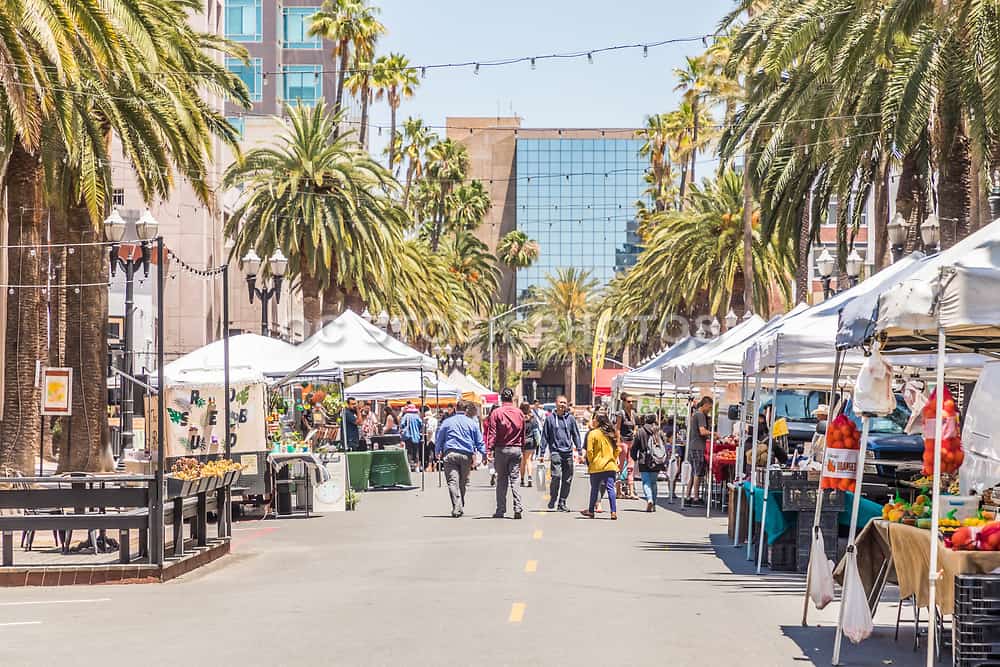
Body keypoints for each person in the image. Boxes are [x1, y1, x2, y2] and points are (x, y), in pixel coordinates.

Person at [435, 401, 485, 518]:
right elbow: (479, 440)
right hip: (465, 455)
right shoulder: (471, 423)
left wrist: (438, 451)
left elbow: (439, 438)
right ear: (466, 409)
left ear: (455, 409)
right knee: (462, 482)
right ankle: (459, 503)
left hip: (450, 454)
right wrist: (484, 453)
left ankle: (457, 505)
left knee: (452, 481)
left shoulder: (447, 422)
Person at [484, 388, 525, 519]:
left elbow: (492, 433)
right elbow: (523, 432)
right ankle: (517, 507)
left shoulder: (496, 413)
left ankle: (500, 509)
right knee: (515, 478)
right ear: (512, 398)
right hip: (516, 449)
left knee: (502, 480)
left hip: (501, 449)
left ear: (501, 398)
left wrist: (489, 449)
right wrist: (522, 447)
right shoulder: (519, 413)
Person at [541, 394, 581, 512]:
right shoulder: (550, 419)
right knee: (556, 476)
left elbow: (576, 435)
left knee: (567, 479)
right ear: (556, 403)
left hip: (568, 452)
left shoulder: (571, 419)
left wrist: (579, 450)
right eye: (561, 402)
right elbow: (545, 436)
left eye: (565, 402)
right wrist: (542, 453)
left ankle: (562, 502)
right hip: (555, 452)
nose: (563, 405)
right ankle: (553, 497)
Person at [580, 410, 619, 519]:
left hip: (596, 466)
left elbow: (589, 451)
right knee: (610, 488)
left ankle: (591, 511)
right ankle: (613, 512)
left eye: (595, 419)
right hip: (610, 465)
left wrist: (591, 461)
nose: (593, 420)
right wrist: (613, 458)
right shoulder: (612, 433)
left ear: (599, 421)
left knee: (594, 489)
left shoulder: (593, 433)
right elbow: (617, 449)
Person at [632, 413, 667, 512]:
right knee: (653, 482)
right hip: (656, 460)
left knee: (646, 482)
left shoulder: (640, 431)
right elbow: (664, 445)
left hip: (643, 460)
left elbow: (634, 446)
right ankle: (654, 503)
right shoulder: (658, 431)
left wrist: (634, 457)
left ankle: (649, 499)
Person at [685, 396, 715, 506]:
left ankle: (688, 496)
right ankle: (696, 497)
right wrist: (713, 434)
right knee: (698, 472)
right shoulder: (700, 415)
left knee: (693, 473)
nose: (710, 410)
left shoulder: (696, 415)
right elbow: (702, 431)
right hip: (698, 446)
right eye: (710, 407)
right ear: (705, 405)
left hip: (693, 446)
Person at [615, 393, 638, 499]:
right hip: (623, 442)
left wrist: (634, 431)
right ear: (624, 402)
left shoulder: (634, 413)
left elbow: (636, 425)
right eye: (629, 401)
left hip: (631, 441)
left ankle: (631, 492)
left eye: (632, 401)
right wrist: (618, 442)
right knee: (619, 467)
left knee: (631, 467)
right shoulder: (621, 414)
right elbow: (618, 428)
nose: (631, 403)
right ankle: (618, 491)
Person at [519, 402, 540, 488]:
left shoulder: (519, 418)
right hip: (530, 442)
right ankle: (530, 477)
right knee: (528, 460)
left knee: (522, 461)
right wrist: (538, 443)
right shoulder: (533, 419)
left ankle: (522, 480)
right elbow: (536, 433)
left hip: (521, 442)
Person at [399, 403, 424, 472]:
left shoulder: (406, 416)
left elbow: (402, 425)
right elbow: (421, 425)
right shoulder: (417, 416)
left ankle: (409, 466)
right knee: (416, 452)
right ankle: (416, 466)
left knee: (409, 452)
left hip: (408, 436)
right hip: (416, 436)